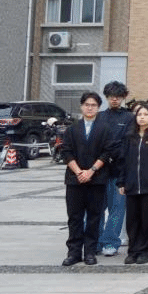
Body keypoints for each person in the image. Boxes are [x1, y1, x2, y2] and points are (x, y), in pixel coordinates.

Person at [61, 92, 119, 266]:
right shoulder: (72, 129)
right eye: (87, 104)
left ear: (98, 108)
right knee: (75, 218)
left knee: (95, 217)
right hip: (75, 180)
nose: (90, 108)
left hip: (97, 179)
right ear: (81, 106)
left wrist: (91, 171)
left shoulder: (105, 129)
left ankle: (90, 252)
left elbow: (107, 152)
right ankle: (74, 252)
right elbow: (66, 152)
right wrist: (79, 172)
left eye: (93, 105)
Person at [118, 103, 148, 264]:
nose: (142, 117)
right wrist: (121, 182)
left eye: (145, 114)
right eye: (139, 114)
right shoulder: (129, 136)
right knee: (132, 220)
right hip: (131, 185)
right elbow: (123, 160)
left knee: (147, 220)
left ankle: (145, 251)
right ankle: (133, 251)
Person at [97, 80, 133, 257]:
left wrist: (110, 151)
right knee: (96, 209)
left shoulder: (129, 118)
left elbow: (128, 142)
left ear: (123, 97)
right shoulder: (99, 117)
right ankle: (95, 241)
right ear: (106, 97)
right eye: (111, 96)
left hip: (119, 171)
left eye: (118, 96)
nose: (115, 99)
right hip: (99, 171)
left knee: (117, 210)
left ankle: (111, 242)